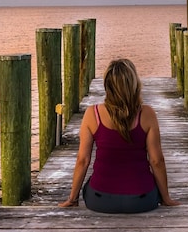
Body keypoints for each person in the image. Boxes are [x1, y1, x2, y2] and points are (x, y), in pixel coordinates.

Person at [59, 58, 180, 212]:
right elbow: (157, 161)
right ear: (134, 84)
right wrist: (166, 198)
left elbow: (83, 160)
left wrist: (72, 198)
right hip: (142, 200)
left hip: (99, 200)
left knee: (89, 185)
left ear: (107, 85)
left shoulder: (92, 114)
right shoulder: (147, 113)